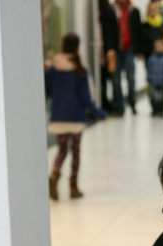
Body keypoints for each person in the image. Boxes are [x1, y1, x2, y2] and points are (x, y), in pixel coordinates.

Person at [45, 33, 107, 201]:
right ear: (78, 48)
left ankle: (54, 175)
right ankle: (73, 187)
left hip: (58, 116)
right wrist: (100, 113)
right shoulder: (80, 68)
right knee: (76, 153)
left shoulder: (54, 68)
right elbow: (85, 98)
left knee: (62, 150)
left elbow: (49, 91)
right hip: (75, 117)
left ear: (62, 47)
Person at [112, 0, 142, 116]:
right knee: (116, 80)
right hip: (115, 52)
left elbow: (138, 31)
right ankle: (120, 107)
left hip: (129, 50)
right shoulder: (113, 10)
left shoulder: (134, 11)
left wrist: (139, 50)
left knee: (130, 78)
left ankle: (132, 104)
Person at [98, 0, 119, 113]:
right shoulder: (109, 10)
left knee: (112, 78)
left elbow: (109, 32)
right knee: (109, 79)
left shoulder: (107, 11)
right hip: (108, 51)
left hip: (108, 52)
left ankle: (111, 105)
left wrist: (110, 49)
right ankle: (109, 104)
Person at [147, 39, 163, 117]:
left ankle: (161, 110)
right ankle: (154, 110)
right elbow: (149, 69)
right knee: (153, 96)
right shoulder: (152, 58)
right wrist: (149, 79)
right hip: (153, 81)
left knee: (161, 97)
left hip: (162, 81)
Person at [141, 1, 163, 67]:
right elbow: (142, 41)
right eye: (150, 9)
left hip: (162, 57)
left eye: (154, 9)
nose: (152, 11)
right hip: (149, 56)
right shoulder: (144, 26)